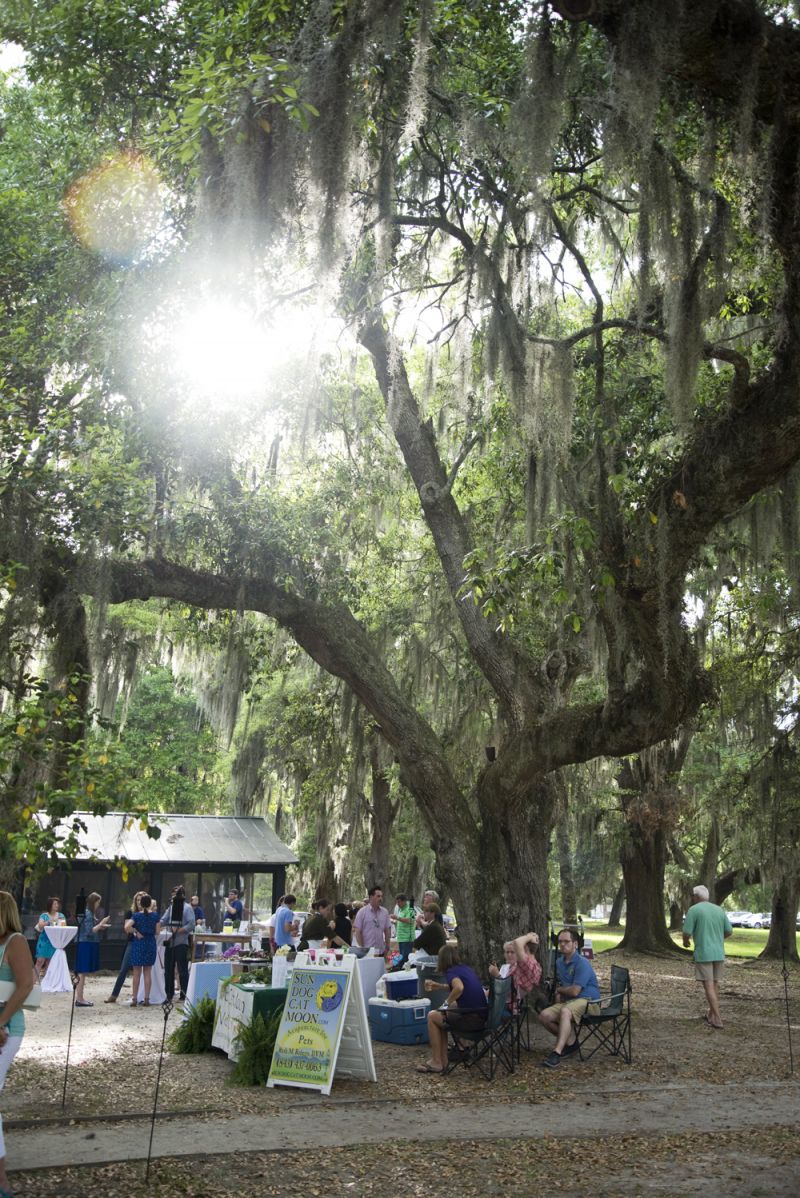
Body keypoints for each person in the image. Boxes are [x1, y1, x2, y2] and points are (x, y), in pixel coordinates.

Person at [0, 891, 34, 1198]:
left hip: (6, 1031)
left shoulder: (15, 942)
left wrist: (1, 1022)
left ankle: (1, 1179)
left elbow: (26, 984)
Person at [417, 944, 488, 1074]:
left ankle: (437, 1062)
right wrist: (438, 986)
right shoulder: (464, 969)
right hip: (481, 1016)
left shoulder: (451, 972)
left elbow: (459, 988)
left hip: (471, 1022)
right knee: (442, 1015)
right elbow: (460, 986)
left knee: (432, 1016)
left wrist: (446, 1003)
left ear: (442, 960)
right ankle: (443, 1060)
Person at [538, 927, 600, 1067]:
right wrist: (560, 994)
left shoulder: (582, 962)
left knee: (565, 1011)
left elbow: (575, 991)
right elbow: (568, 988)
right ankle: (571, 1042)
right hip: (571, 1002)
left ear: (575, 944)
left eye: (567, 941)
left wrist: (559, 990)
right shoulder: (559, 962)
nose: (563, 944)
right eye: (560, 942)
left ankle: (557, 1053)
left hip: (590, 1002)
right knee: (544, 1016)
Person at [682, 884, 733, 1029]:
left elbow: (686, 932)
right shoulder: (719, 910)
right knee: (714, 984)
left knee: (709, 985)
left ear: (697, 897)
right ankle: (711, 1014)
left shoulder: (694, 910)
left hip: (704, 953)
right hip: (719, 953)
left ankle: (717, 1019)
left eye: (693, 895)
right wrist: (717, 939)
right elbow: (729, 931)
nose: (692, 898)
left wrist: (686, 942)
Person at [105, 891, 144, 1004]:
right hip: (132, 942)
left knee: (142, 971)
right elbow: (127, 929)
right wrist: (136, 931)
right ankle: (114, 995)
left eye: (141, 900)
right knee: (123, 970)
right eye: (137, 900)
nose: (139, 902)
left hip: (143, 944)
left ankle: (138, 996)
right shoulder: (130, 912)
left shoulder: (147, 914)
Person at [489, 931, 543, 1011]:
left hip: (503, 1004)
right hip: (500, 1000)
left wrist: (529, 937)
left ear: (526, 949)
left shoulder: (529, 965)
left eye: (516, 950)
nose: (517, 951)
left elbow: (517, 942)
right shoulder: (528, 965)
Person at [75, 892, 111, 1006]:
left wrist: (100, 925)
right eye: (98, 902)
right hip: (86, 943)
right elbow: (90, 931)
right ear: (93, 902)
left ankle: (80, 998)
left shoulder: (89, 913)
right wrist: (101, 924)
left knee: (82, 972)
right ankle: (79, 999)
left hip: (86, 943)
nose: (98, 905)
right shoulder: (88, 913)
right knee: (82, 972)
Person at [161, 886, 195, 1002]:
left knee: (182, 970)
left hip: (181, 943)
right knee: (168, 970)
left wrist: (178, 931)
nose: (174, 896)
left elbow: (191, 924)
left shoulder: (188, 908)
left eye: (177, 894)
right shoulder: (170, 907)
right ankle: (169, 995)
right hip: (170, 943)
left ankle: (184, 994)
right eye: (173, 894)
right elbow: (163, 920)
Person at [128, 895, 161, 1007]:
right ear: (150, 904)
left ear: (141, 904)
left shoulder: (136, 915)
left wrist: (136, 931)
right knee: (148, 972)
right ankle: (147, 999)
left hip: (138, 943)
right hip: (150, 943)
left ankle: (134, 998)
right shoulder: (155, 916)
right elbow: (157, 932)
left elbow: (127, 927)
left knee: (136, 973)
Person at [353, 886, 392, 955]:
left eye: (381, 896)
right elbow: (357, 931)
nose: (380, 899)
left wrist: (388, 947)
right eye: (378, 896)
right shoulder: (362, 912)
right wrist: (362, 948)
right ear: (371, 897)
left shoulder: (385, 912)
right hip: (367, 952)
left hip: (381, 951)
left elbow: (387, 931)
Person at [33, 896, 63, 982]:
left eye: (57, 904)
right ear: (50, 905)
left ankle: (47, 982)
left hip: (54, 941)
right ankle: (33, 981)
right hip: (44, 940)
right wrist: (51, 921)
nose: (57, 905)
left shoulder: (61, 915)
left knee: (50, 962)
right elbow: (40, 925)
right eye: (55, 904)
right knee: (39, 961)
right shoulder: (44, 915)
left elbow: (63, 926)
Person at [393, 893, 416, 963]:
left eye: (399, 902)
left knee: (406, 959)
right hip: (401, 938)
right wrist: (395, 921)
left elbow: (411, 920)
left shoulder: (410, 908)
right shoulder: (401, 909)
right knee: (402, 958)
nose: (397, 904)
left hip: (407, 938)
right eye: (397, 902)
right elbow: (402, 921)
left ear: (404, 901)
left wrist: (397, 918)